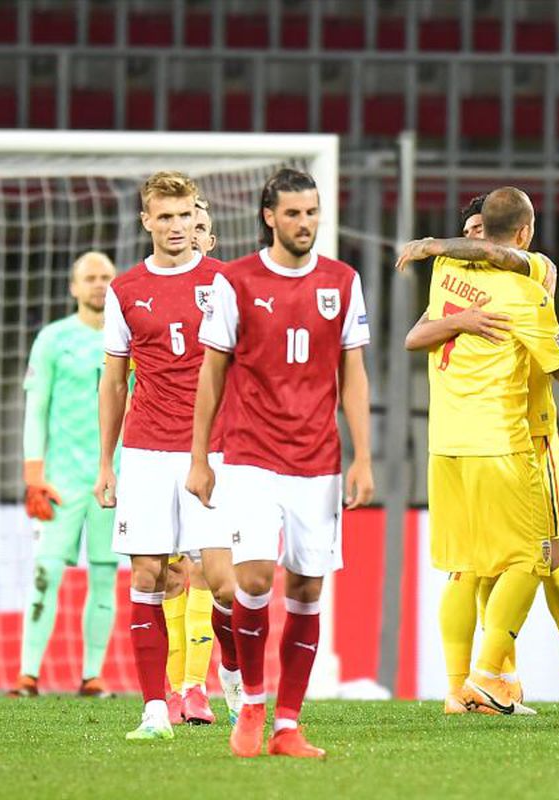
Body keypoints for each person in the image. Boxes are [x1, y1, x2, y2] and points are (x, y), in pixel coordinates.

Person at [188, 167, 374, 759]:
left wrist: (363, 457)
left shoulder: (343, 282)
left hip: (318, 460)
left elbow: (354, 374)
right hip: (249, 455)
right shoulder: (237, 280)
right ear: (270, 216)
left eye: (313, 212)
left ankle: (288, 725)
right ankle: (250, 705)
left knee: (307, 588)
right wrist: (200, 458)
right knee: (253, 577)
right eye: (293, 213)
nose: (305, 223)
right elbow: (212, 371)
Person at [395, 198, 559, 716]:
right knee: (528, 560)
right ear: (524, 232)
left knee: (519, 563)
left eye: (478, 234)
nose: (476, 246)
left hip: (459, 441)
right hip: (509, 440)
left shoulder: (449, 268)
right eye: (465, 235)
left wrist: (433, 247)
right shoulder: (521, 287)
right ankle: (485, 680)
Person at [96, 171, 240, 741]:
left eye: (185, 216)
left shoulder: (227, 282)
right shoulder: (125, 290)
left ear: (195, 219)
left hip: (216, 449)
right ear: (147, 221)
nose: (177, 227)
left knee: (225, 584)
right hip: (148, 450)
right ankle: (155, 709)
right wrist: (107, 464)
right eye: (166, 216)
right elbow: (113, 383)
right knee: (149, 574)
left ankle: (231, 675)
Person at [11, 251, 119, 699]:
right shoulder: (53, 339)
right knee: (46, 572)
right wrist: (34, 473)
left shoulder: (125, 339)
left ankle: (92, 675)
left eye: (106, 277)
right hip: (61, 480)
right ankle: (27, 675)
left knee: (105, 573)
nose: (99, 284)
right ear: (73, 287)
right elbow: (36, 409)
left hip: (112, 480)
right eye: (90, 278)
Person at [163, 196, 224, 725]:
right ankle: (177, 687)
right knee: (169, 572)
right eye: (185, 223)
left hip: (218, 447)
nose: (194, 233)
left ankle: (196, 687)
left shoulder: (228, 291)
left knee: (205, 568)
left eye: (201, 225)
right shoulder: (151, 294)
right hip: (158, 446)